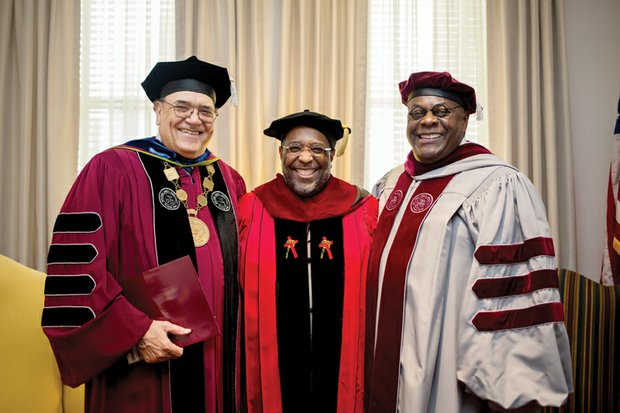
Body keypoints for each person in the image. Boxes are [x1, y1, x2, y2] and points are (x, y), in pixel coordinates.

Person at [41, 56, 246, 413]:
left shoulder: (230, 180)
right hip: (142, 363)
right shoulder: (112, 168)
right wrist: (136, 331)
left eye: (206, 111)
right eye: (181, 106)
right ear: (157, 108)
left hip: (218, 362)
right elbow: (77, 268)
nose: (194, 119)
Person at [365, 72, 573, 412]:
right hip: (382, 358)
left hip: (448, 367)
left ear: (464, 119)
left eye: (442, 111)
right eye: (417, 112)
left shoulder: (496, 185)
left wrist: (504, 386)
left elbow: (508, 295)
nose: (428, 121)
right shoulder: (389, 184)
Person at [238, 110, 378, 412]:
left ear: (331, 156)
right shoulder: (252, 208)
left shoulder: (364, 210)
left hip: (344, 368)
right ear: (280, 153)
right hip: (273, 370)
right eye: (294, 148)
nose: (305, 158)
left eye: (317, 148)